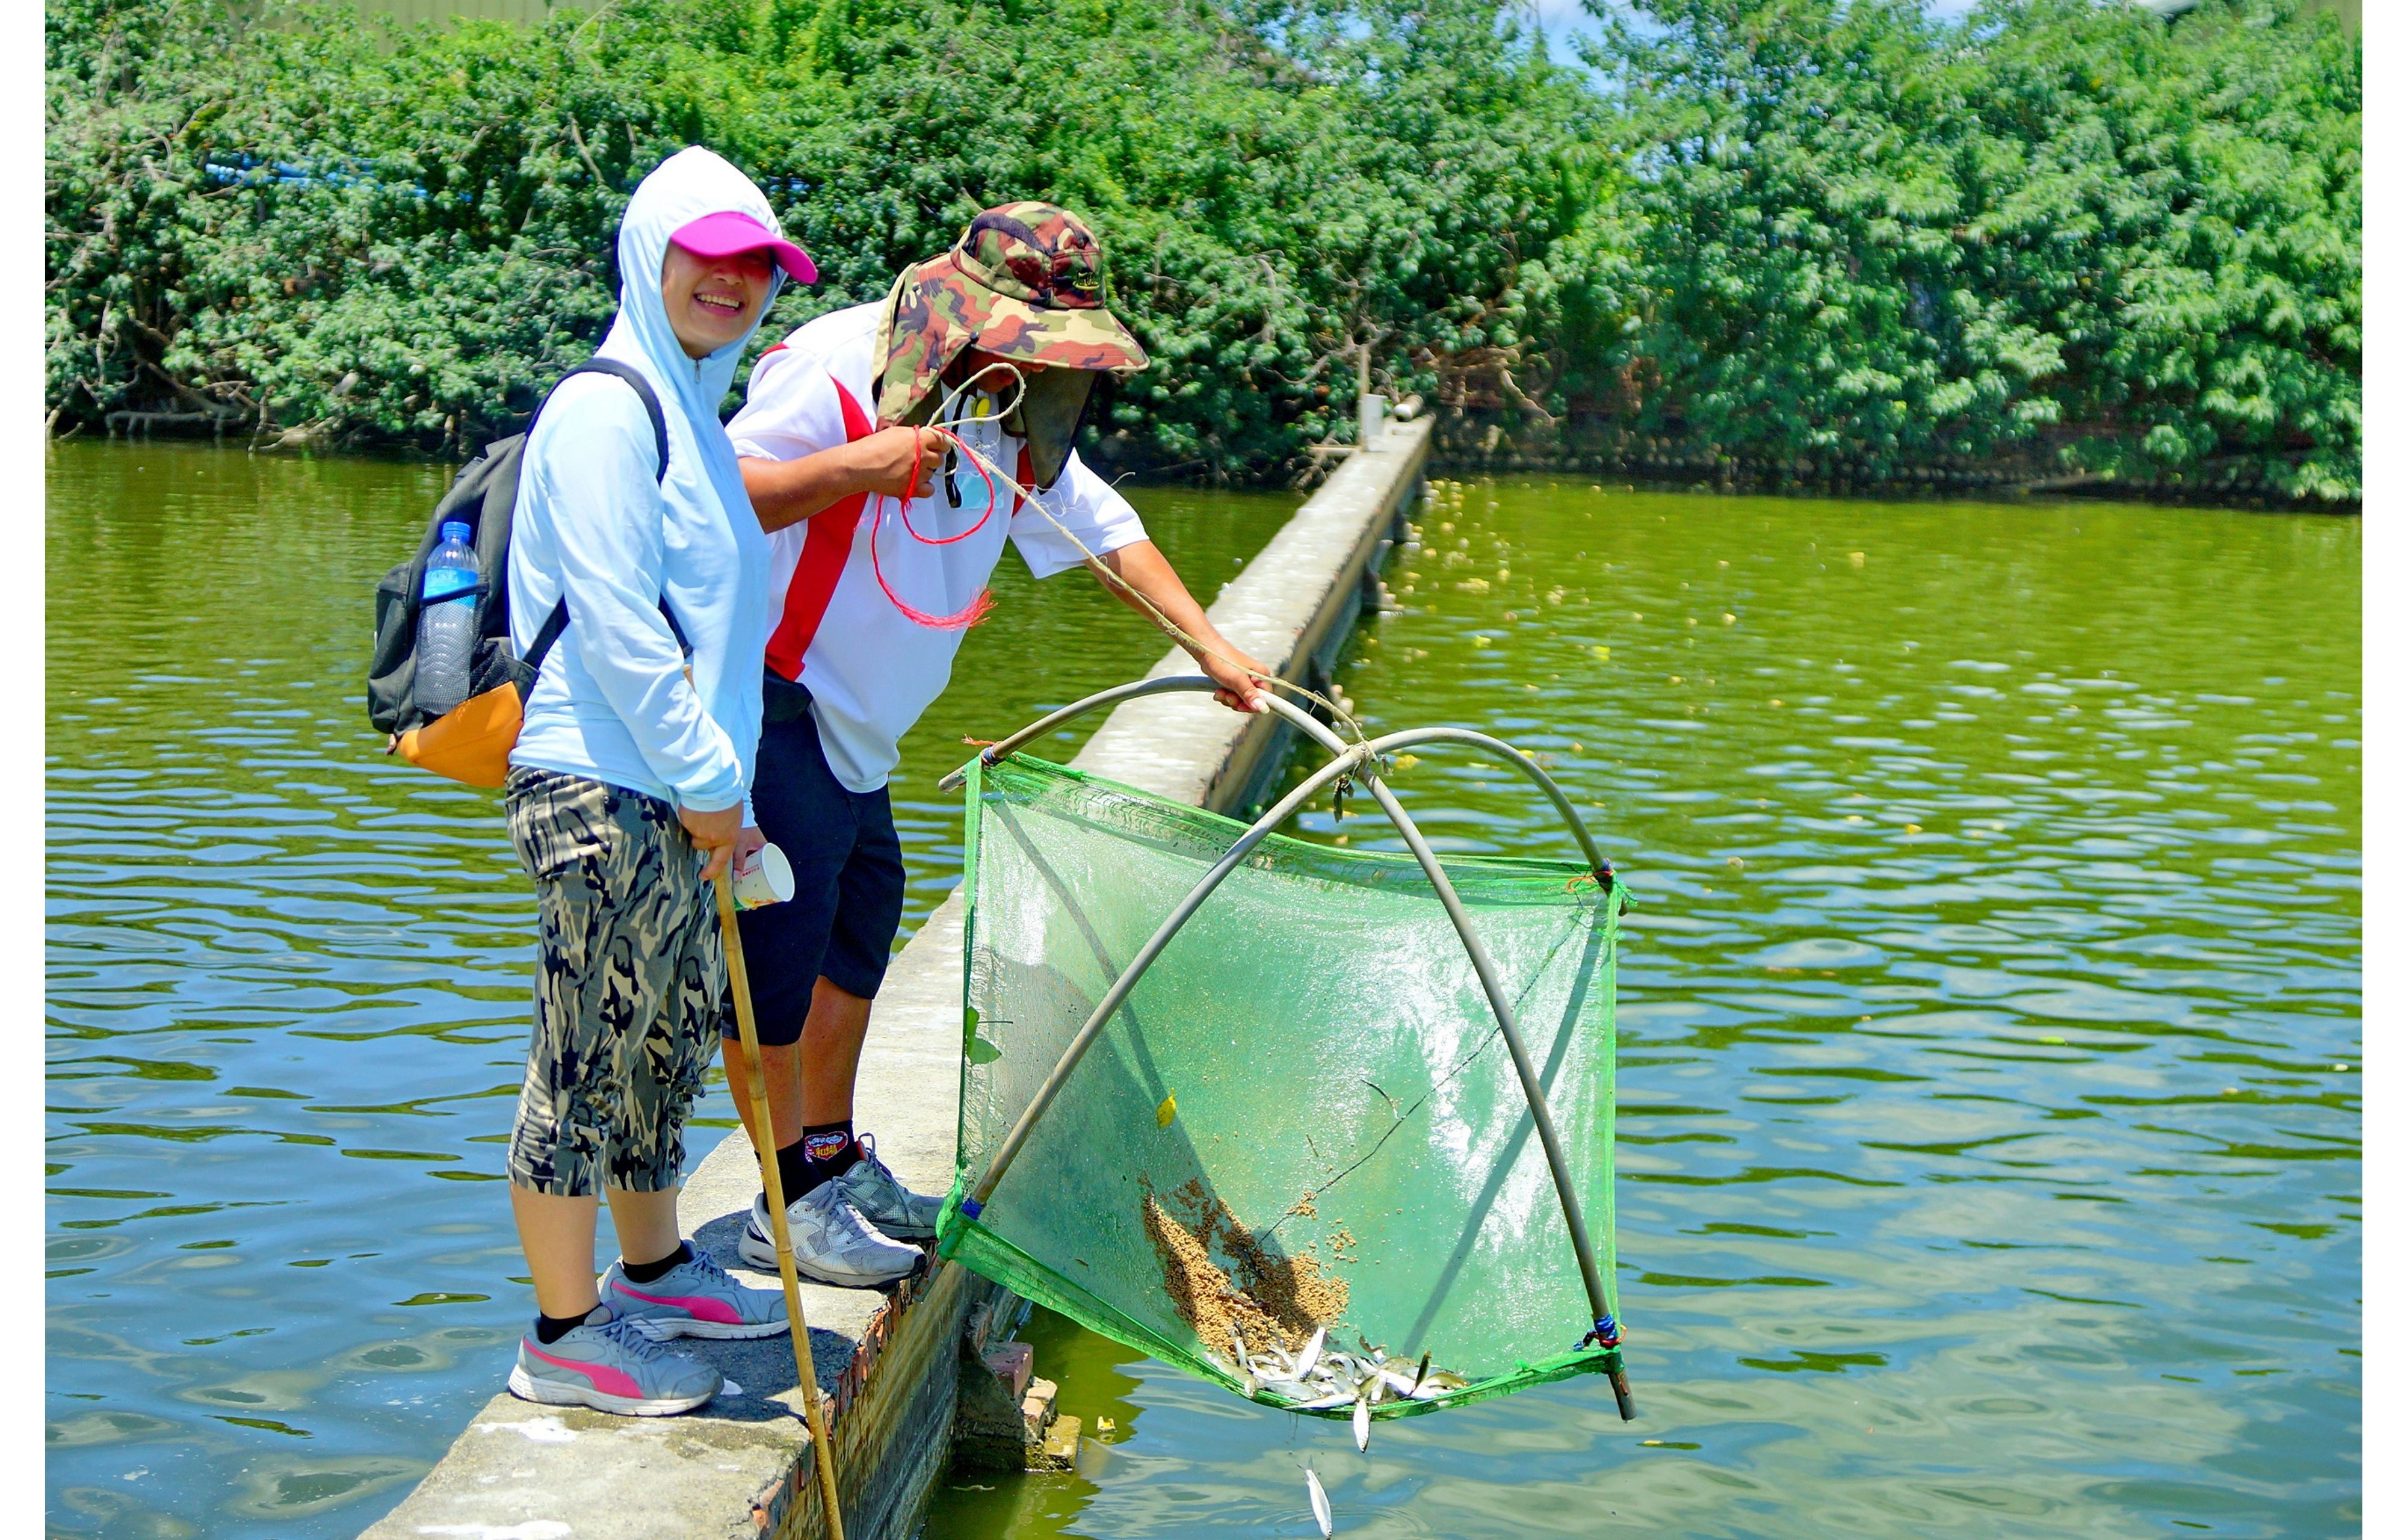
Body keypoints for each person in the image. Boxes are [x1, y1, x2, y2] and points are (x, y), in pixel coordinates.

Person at [715, 202, 1270, 1286]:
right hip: (772, 705)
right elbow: (715, 499)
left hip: (859, 738)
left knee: (856, 941)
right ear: (966, 313)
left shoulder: (1011, 407)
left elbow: (1104, 530)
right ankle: (782, 1205)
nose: (1036, 361)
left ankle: (829, 1160)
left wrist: (1210, 647)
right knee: (774, 977)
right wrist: (858, 468)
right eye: (1022, 335)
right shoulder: (834, 370)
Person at [496, 147, 814, 1415]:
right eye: (706, 256)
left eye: (753, 266)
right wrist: (703, 780)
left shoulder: (693, 412)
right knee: (582, 1052)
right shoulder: (604, 407)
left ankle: (654, 1270)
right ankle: (562, 1337)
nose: (729, 283)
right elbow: (623, 626)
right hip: (606, 784)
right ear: (648, 256)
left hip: (680, 800)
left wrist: (712, 796)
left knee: (657, 1041)